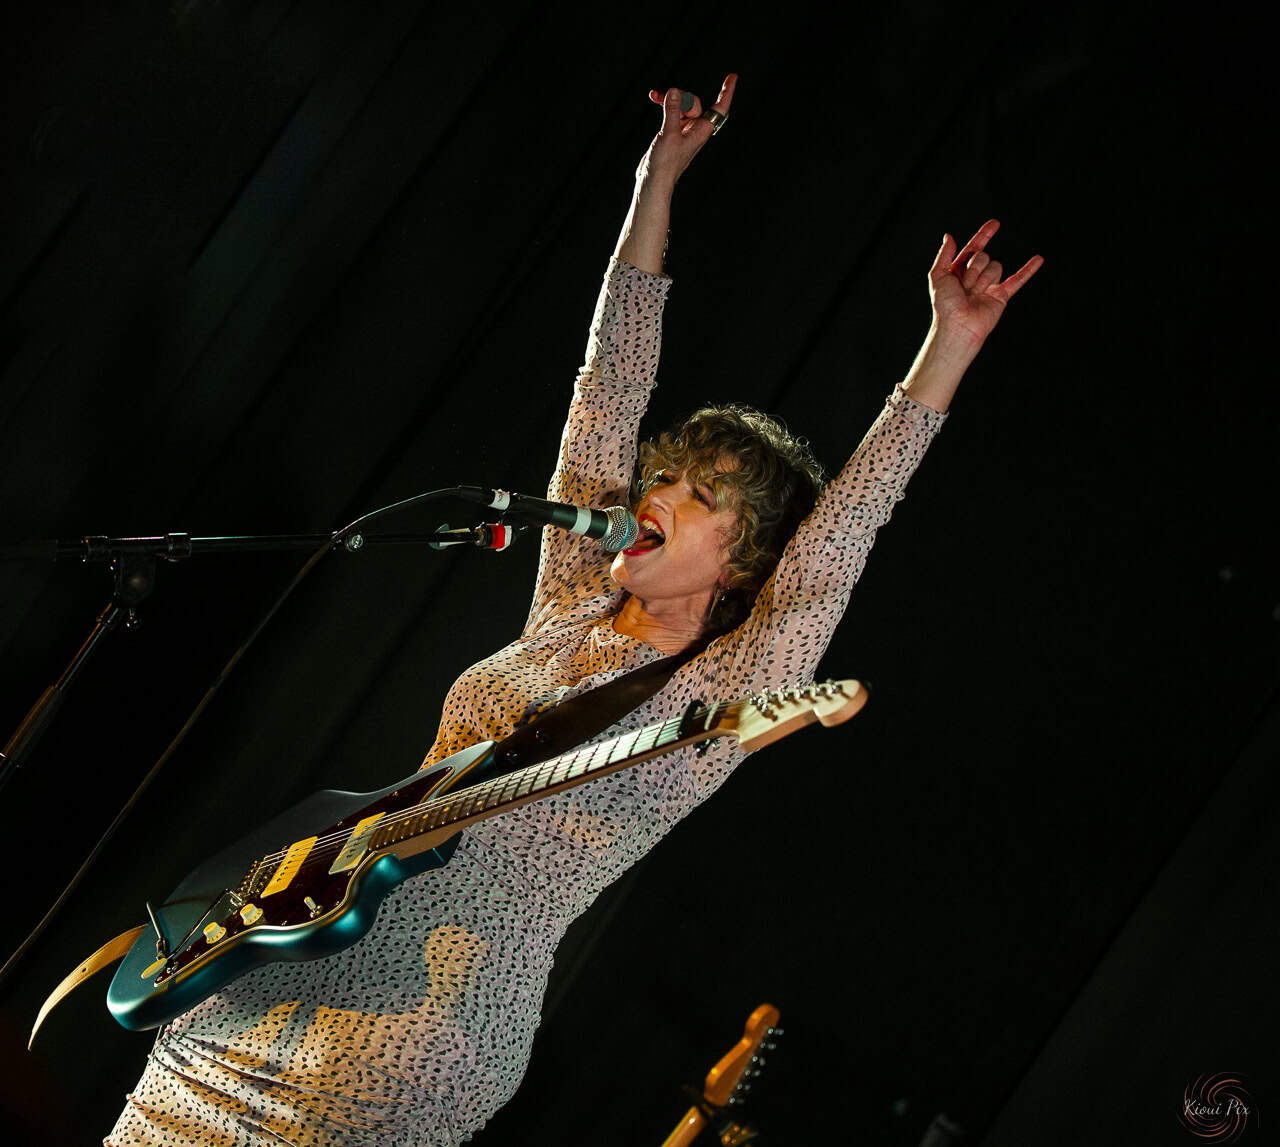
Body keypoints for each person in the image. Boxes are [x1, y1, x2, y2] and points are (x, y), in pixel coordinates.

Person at [106, 75, 1040, 1145]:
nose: (659, 497)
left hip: (420, 1022)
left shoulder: (719, 687)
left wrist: (948, 345)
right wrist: (656, 181)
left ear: (743, 567)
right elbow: (608, 388)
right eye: (665, 475)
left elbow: (843, 537)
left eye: (701, 499)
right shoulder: (570, 602)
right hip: (269, 966)